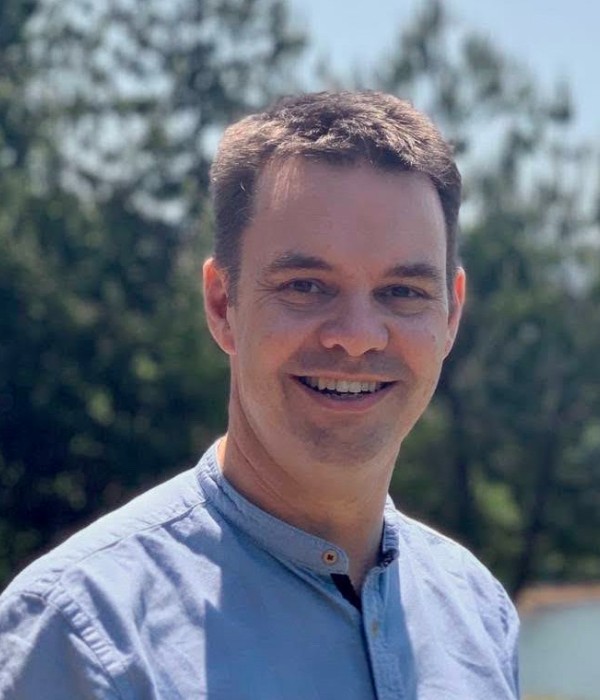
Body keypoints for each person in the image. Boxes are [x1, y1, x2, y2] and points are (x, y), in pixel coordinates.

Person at [0, 90, 520, 699]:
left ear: (451, 314)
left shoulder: (478, 613)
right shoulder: (81, 636)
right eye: (306, 285)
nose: (356, 337)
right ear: (223, 305)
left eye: (403, 292)